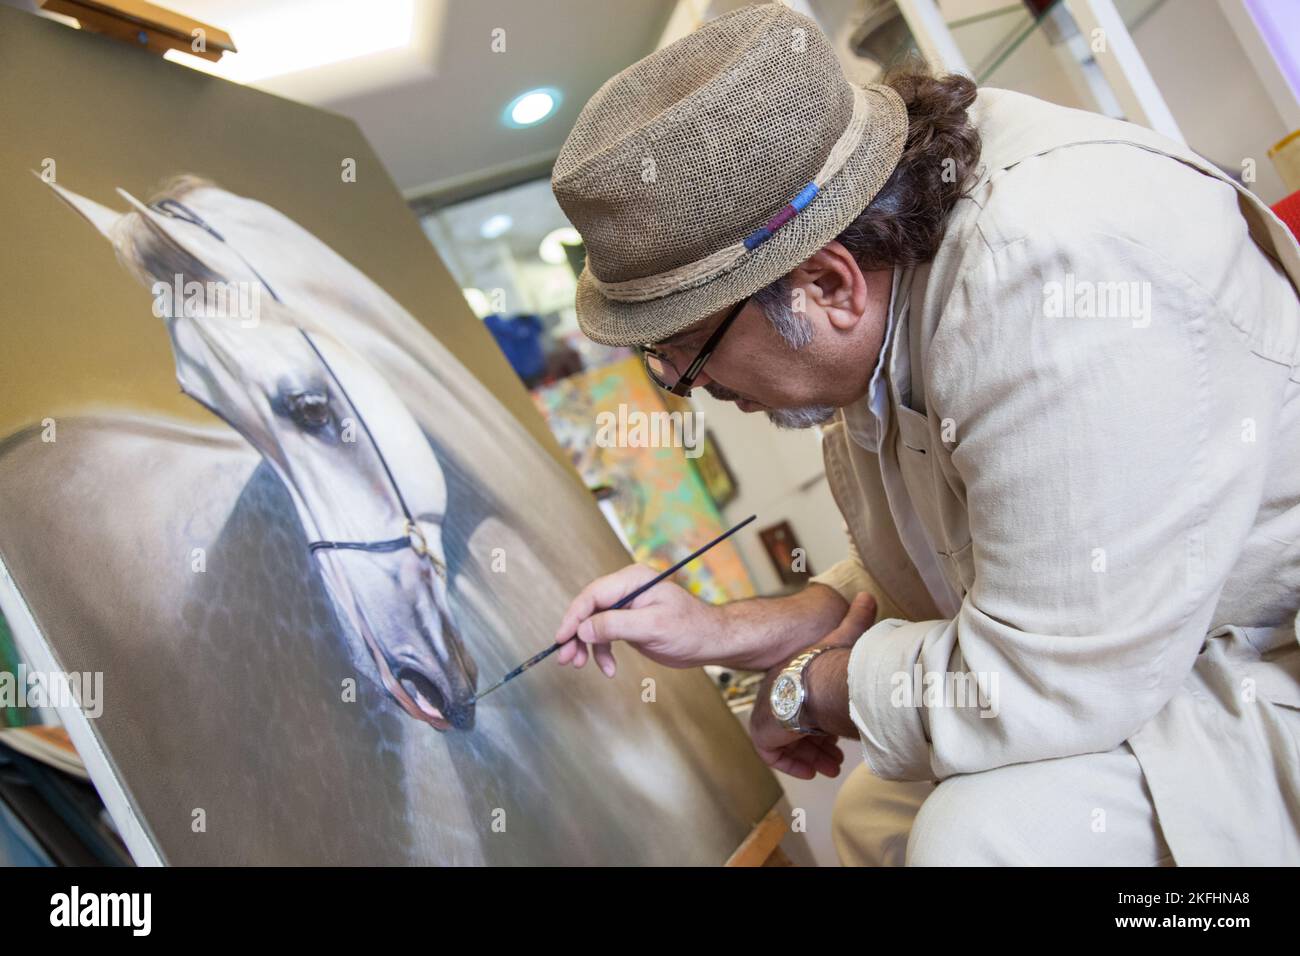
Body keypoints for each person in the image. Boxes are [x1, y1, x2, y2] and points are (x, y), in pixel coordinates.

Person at [548, 2, 1300, 865]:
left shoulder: (1051, 274)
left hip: (1263, 662)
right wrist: (733, 630)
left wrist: (808, 689)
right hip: (1154, 654)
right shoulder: (879, 293)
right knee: (873, 813)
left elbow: (1049, 682)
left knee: (973, 843)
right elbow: (941, 556)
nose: (688, 388)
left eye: (686, 350)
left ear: (825, 285)